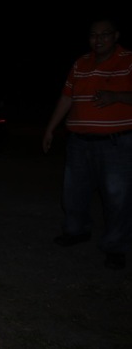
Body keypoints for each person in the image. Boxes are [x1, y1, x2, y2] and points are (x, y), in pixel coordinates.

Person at [43, 17, 132, 270]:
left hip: (116, 143)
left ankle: (115, 246)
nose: (98, 39)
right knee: (73, 192)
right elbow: (66, 97)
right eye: (93, 35)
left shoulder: (128, 61)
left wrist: (117, 96)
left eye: (104, 34)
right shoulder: (81, 63)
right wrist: (50, 129)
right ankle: (77, 230)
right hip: (79, 142)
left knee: (117, 196)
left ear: (116, 36)